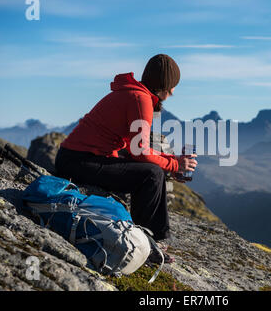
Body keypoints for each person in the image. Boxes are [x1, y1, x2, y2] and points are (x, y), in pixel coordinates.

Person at [55, 54, 197, 263]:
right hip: (78, 162)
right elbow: (139, 152)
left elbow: (136, 150)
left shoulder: (135, 94)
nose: (174, 91)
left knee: (152, 171)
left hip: (77, 158)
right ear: (165, 85)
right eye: (173, 86)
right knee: (151, 174)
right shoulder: (141, 99)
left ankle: (151, 238)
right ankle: (149, 244)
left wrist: (172, 161)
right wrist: (174, 164)